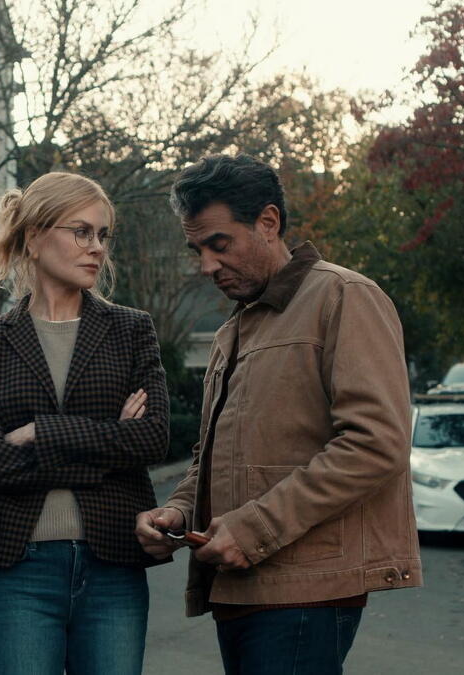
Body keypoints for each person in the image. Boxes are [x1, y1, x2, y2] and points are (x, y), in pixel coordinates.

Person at [135, 154, 422, 675]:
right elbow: (214, 454)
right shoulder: (233, 330)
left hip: (307, 591)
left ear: (268, 222)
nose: (207, 266)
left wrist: (254, 528)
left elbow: (377, 443)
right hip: (240, 588)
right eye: (198, 250)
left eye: (219, 244)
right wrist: (177, 511)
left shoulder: (344, 296)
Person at [0, 172, 170, 675]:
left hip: (113, 566)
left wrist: (40, 432)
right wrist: (109, 442)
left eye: (102, 235)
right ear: (34, 238)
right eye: (81, 231)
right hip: (21, 569)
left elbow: (152, 438)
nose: (96, 247)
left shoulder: (131, 331)